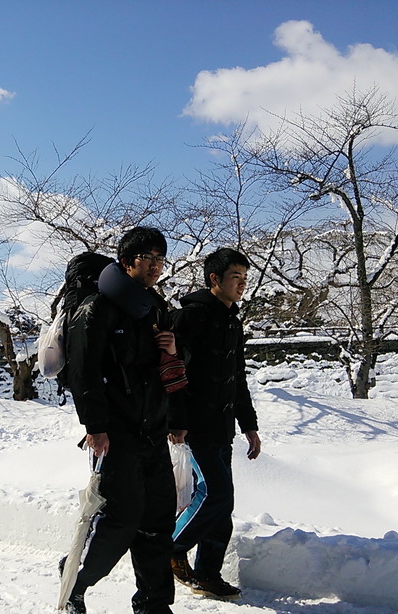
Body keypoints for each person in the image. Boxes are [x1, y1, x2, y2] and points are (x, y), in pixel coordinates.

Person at [63, 227, 181, 614]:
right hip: (116, 431)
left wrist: (174, 350)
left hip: (154, 429)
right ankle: (75, 582)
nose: (156, 268)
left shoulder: (156, 307)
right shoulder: (97, 307)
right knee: (122, 518)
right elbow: (84, 370)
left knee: (159, 519)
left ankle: (154, 604)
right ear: (128, 262)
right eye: (149, 259)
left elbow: (170, 371)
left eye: (161, 260)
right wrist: (95, 426)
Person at [168, 247, 261, 600]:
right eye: (236, 278)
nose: (242, 285)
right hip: (195, 426)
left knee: (224, 502)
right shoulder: (188, 318)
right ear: (214, 279)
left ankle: (208, 573)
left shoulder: (233, 322)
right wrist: (176, 420)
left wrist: (249, 425)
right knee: (215, 494)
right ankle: (169, 547)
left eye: (245, 279)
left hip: (223, 426)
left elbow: (237, 378)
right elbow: (171, 374)